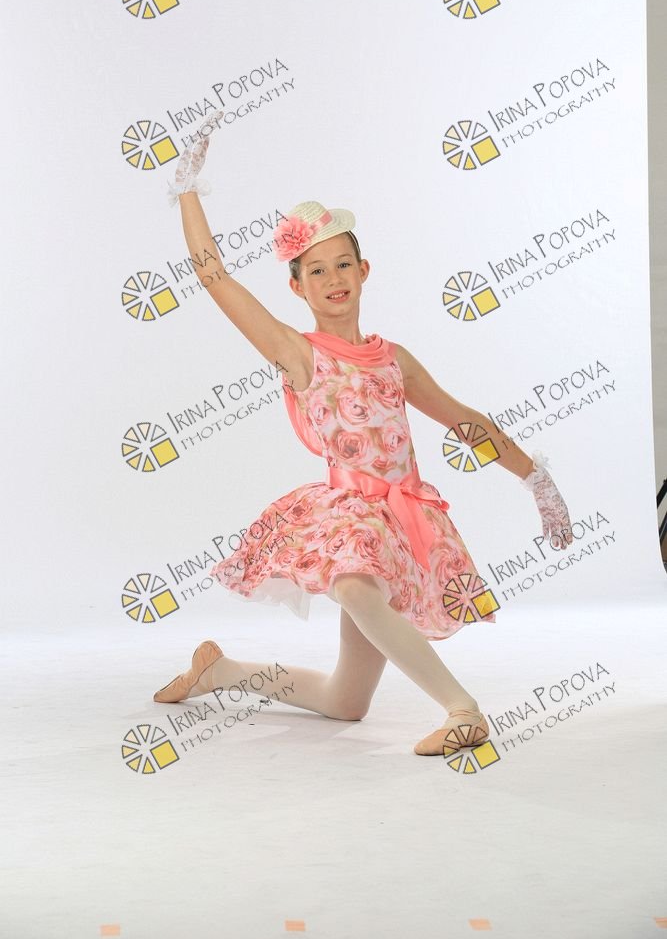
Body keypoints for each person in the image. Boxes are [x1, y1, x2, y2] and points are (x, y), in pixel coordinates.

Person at [153, 111, 573, 757]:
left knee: (345, 701)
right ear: (296, 286)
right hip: (349, 513)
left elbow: (466, 423)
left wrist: (535, 480)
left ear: (364, 269)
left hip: (402, 518)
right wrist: (187, 189)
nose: (333, 281)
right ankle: (463, 710)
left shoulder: (393, 359)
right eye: (317, 271)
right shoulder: (297, 352)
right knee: (351, 584)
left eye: (342, 265)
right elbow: (214, 276)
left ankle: (222, 672)